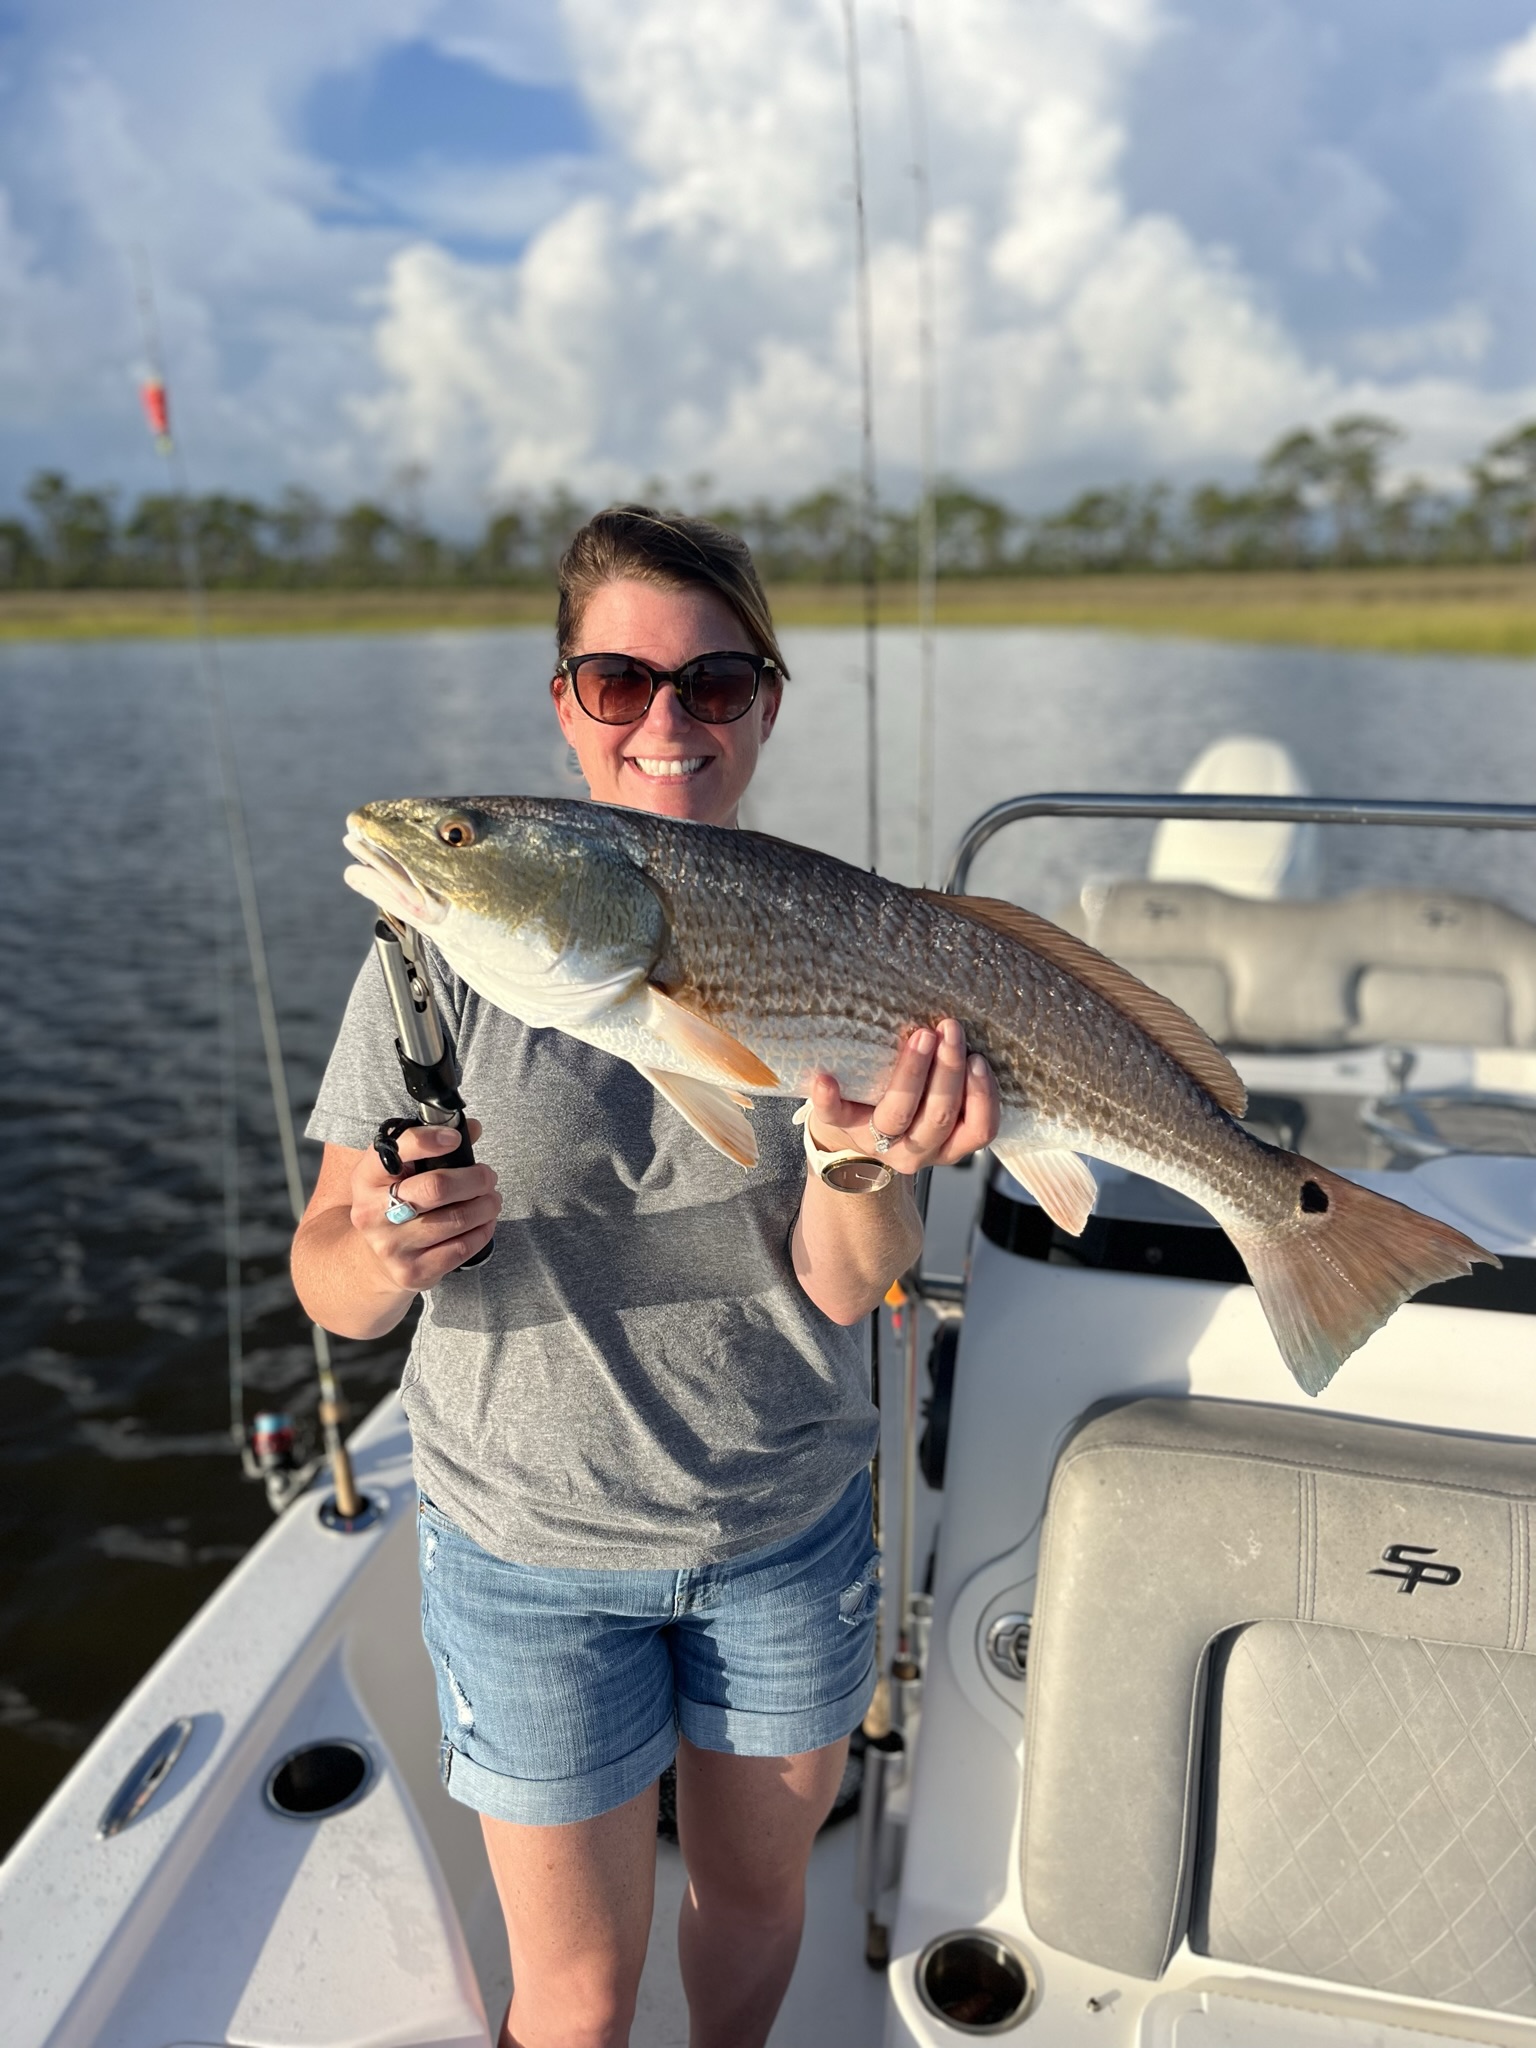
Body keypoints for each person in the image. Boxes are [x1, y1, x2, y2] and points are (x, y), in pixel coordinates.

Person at [292, 506, 999, 2048]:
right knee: (578, 1992)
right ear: (565, 703)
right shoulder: (423, 956)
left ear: (764, 703)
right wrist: (388, 1248)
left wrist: (873, 1164)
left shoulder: (850, 943)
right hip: (524, 1547)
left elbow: (841, 1285)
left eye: (717, 683)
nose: (667, 720)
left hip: (781, 1529)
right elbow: (331, 1285)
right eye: (617, 682)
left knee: (753, 1907)